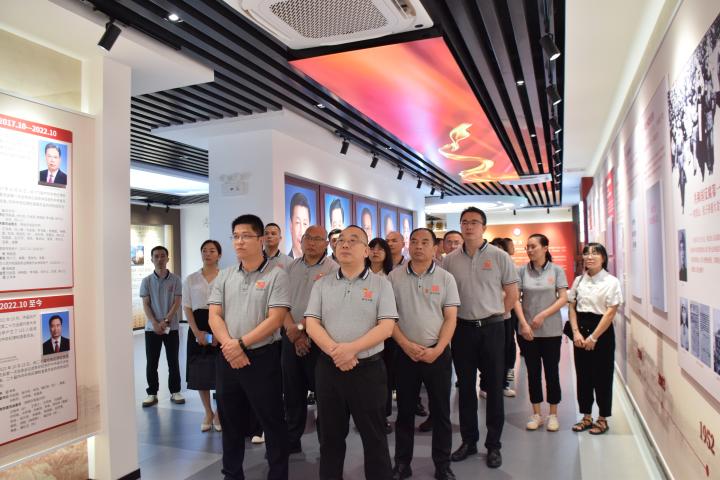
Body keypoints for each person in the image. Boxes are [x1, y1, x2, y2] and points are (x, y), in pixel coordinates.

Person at [305, 225, 397, 480]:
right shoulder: (322, 284)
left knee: (374, 438)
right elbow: (312, 323)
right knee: (330, 438)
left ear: (366, 251)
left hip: (368, 370)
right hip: (329, 370)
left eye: (353, 240)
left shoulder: (381, 284)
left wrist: (351, 349)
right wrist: (336, 352)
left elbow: (387, 327)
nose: (344, 244)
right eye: (341, 240)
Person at [208, 214, 291, 480]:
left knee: (272, 421)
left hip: (262, 358)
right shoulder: (224, 276)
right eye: (235, 236)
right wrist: (231, 346)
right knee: (230, 422)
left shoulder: (277, 275)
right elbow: (214, 315)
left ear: (261, 239)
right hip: (228, 358)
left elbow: (276, 318)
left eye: (246, 236)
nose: (239, 241)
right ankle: (232, 474)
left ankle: (278, 474)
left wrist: (241, 344)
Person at [443, 207, 519, 468]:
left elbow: (512, 293)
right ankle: (469, 441)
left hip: (493, 329)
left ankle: (493, 445)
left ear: (484, 227)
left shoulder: (499, 256)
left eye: (474, 222)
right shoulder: (450, 260)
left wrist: (497, 314)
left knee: (494, 388)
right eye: (464, 222)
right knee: (465, 388)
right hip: (462, 330)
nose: (469, 226)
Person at [389, 228, 459, 480]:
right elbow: (388, 318)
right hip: (404, 354)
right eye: (414, 242)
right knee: (404, 412)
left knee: (441, 413)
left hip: (437, 354)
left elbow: (450, 318)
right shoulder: (393, 277)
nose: (418, 246)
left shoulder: (446, 278)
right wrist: (405, 345)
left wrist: (438, 349)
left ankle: (442, 465)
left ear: (435, 248)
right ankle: (402, 463)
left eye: (425, 242)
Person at [282, 225, 338, 453]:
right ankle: (291, 439)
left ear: (326, 243)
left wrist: (302, 330)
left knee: (324, 393)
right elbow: (280, 303)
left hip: (320, 340)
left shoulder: (333, 269)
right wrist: (293, 332)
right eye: (308, 238)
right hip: (290, 337)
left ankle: (327, 443)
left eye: (317, 239)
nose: (312, 243)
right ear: (302, 240)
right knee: (292, 392)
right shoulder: (290, 267)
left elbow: (329, 306)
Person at [513, 234, 568, 432]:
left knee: (552, 372)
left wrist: (543, 315)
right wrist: (523, 324)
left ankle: (553, 414)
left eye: (533, 246)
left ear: (545, 248)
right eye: (527, 247)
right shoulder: (521, 271)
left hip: (551, 331)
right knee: (533, 373)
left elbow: (563, 298)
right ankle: (536, 413)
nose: (529, 250)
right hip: (528, 332)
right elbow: (515, 299)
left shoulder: (557, 270)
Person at [568, 242, 622, 436]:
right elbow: (572, 307)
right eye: (586, 253)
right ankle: (586, 416)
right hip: (580, 331)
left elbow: (610, 312)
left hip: (602, 333)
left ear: (603, 258)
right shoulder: (578, 281)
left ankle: (602, 418)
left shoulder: (611, 281)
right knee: (583, 376)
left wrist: (593, 337)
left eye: (595, 253)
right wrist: (576, 333)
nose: (589, 257)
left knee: (603, 377)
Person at [182, 240, 222, 432]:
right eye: (204, 250)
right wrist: (197, 332)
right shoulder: (191, 279)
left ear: (219, 255)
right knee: (200, 372)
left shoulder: (225, 277)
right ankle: (208, 412)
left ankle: (219, 414)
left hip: (219, 326)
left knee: (221, 372)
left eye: (212, 251)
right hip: (198, 328)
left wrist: (218, 334)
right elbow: (187, 307)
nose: (207, 254)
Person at [140, 246, 184, 407]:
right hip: (152, 329)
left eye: (163, 256)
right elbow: (146, 304)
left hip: (171, 327)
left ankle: (175, 391)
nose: (160, 259)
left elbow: (177, 302)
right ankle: (152, 393)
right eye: (156, 256)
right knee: (152, 362)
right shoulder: (146, 281)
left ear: (167, 258)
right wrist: (154, 323)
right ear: (151, 259)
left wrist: (165, 321)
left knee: (173, 361)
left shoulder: (176, 280)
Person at [366, 237, 396, 433]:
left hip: (387, 335)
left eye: (380, 249)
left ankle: (383, 416)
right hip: (363, 334)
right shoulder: (360, 274)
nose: (375, 252)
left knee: (384, 377)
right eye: (372, 248)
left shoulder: (392, 277)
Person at [289, 192, 311, 258]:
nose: (302, 232)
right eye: (297, 223)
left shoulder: (316, 262)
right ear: (291, 225)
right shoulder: (286, 262)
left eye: (305, 223)